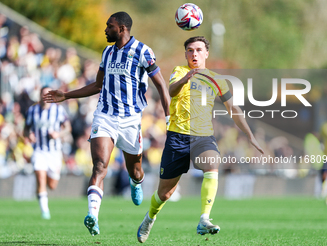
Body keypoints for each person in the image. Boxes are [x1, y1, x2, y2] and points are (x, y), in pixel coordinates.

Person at [43, 12, 170, 236]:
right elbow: (97, 85)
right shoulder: (107, 52)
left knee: (136, 170)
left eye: (109, 26)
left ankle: (135, 182)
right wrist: (67, 95)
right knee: (100, 166)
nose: (105, 30)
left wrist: (169, 118)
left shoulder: (143, 51)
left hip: (131, 120)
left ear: (122, 29)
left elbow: (160, 85)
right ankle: (93, 215)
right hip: (105, 116)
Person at [137, 36, 264, 243]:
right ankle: (150, 217)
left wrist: (250, 136)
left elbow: (234, 109)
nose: (194, 54)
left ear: (206, 53)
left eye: (198, 50)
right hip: (177, 137)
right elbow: (170, 92)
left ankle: (204, 218)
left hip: (202, 136)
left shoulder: (217, 79)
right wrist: (186, 79)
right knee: (164, 194)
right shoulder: (179, 72)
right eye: (189, 50)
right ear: (185, 53)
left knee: (212, 164)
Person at [24, 86, 71, 219]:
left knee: (52, 185)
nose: (45, 97)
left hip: (55, 152)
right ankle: (45, 211)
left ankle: (42, 192)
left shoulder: (59, 110)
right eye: (43, 94)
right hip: (39, 150)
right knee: (40, 176)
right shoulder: (32, 110)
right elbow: (25, 129)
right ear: (39, 95)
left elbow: (68, 128)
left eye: (48, 94)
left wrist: (58, 134)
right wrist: (29, 135)